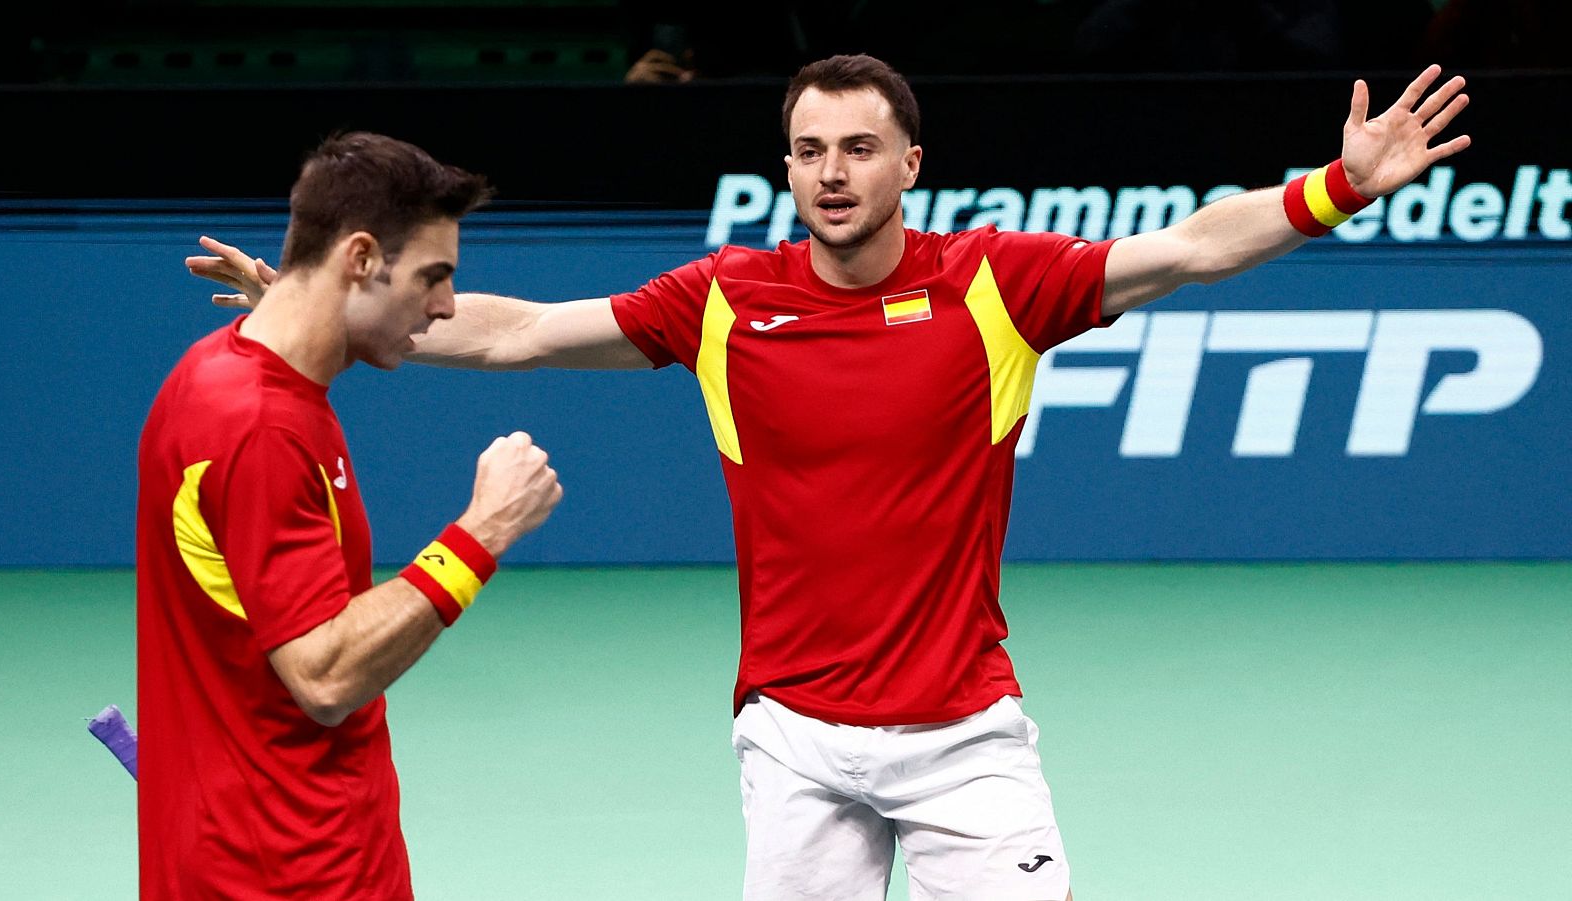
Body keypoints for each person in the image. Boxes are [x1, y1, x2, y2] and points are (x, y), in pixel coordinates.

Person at [191, 55, 1469, 900]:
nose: (832, 172)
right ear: (788, 167)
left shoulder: (995, 285)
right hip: (795, 739)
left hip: (964, 734)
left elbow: (1184, 249)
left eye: (860, 147)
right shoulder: (724, 299)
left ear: (910, 164)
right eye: (809, 150)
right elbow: (518, 330)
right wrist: (320, 301)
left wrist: (1336, 188)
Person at [141, 131, 563, 900]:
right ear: (361, 257)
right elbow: (325, 674)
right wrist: (484, 532)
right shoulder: (260, 427)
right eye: (433, 277)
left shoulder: (216, 374)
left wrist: (292, 302)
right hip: (289, 871)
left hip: (264, 845)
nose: (445, 305)